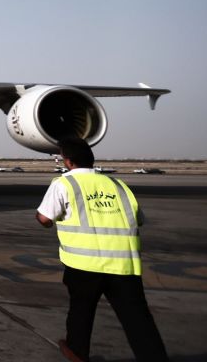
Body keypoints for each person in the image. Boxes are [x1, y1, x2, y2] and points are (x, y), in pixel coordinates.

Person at [35, 138, 169, 362]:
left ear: (67, 161)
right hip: (124, 265)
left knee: (81, 312)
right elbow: (138, 220)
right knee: (138, 319)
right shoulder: (118, 185)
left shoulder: (64, 184)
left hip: (84, 264)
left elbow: (44, 218)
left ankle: (77, 354)